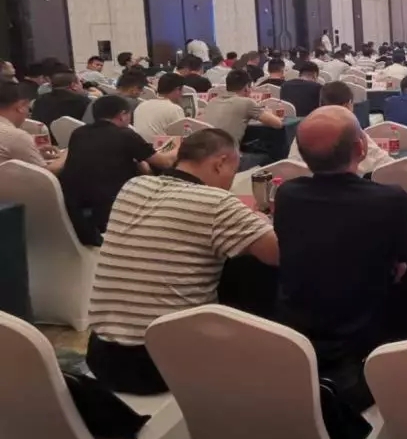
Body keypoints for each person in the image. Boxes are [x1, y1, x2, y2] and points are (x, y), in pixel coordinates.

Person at [86, 128, 279, 394]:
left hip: (101, 355)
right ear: (220, 163)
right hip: (160, 363)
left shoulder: (133, 186)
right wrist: (262, 222)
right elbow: (278, 254)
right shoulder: (216, 202)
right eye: (233, 172)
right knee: (253, 272)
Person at [276, 106, 407, 412]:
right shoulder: (389, 199)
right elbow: (406, 252)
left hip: (298, 333)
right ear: (361, 148)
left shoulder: (286, 195)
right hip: (364, 334)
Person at [60, 95, 177, 246]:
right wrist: (178, 147)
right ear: (122, 115)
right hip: (114, 208)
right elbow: (165, 163)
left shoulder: (78, 133)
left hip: (77, 210)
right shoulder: (126, 135)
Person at [202, 70, 283, 144]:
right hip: (228, 153)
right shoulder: (247, 103)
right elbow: (278, 124)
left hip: (206, 150)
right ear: (247, 88)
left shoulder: (212, 101)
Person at [0, 81, 66, 172]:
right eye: (28, 108)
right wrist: (67, 154)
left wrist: (34, 154)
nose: (28, 114)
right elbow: (45, 174)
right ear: (20, 106)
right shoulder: (17, 136)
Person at [132, 72, 186, 140]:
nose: (183, 93)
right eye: (182, 90)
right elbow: (182, 137)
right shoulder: (174, 109)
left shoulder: (142, 105)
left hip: (137, 145)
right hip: (160, 146)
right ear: (177, 90)